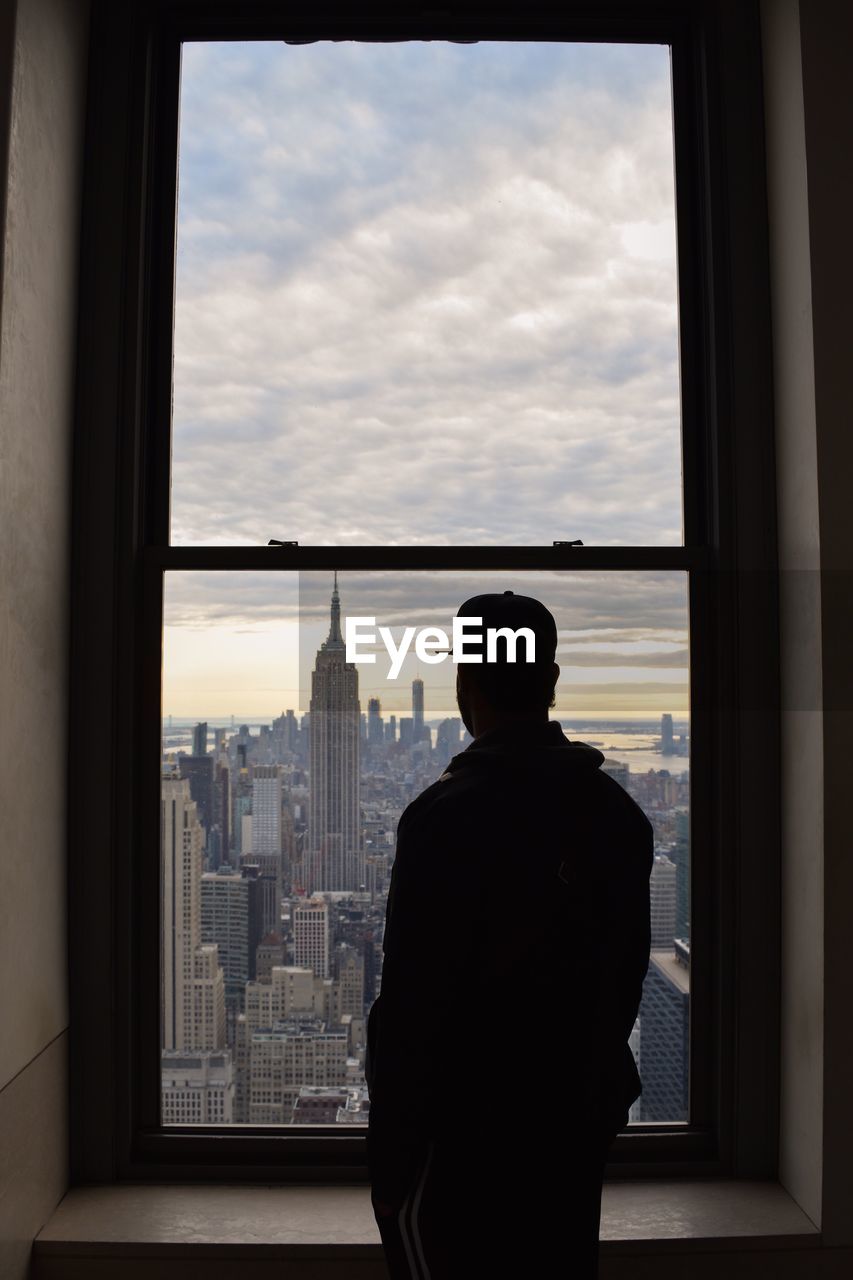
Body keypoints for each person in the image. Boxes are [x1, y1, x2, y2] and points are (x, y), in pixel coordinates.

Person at [366, 590, 653, 1279]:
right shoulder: (617, 817)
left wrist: (398, 1166)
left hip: (462, 1148)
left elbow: (410, 1009)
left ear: (463, 683)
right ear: (551, 681)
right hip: (572, 1134)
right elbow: (622, 988)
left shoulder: (443, 818)